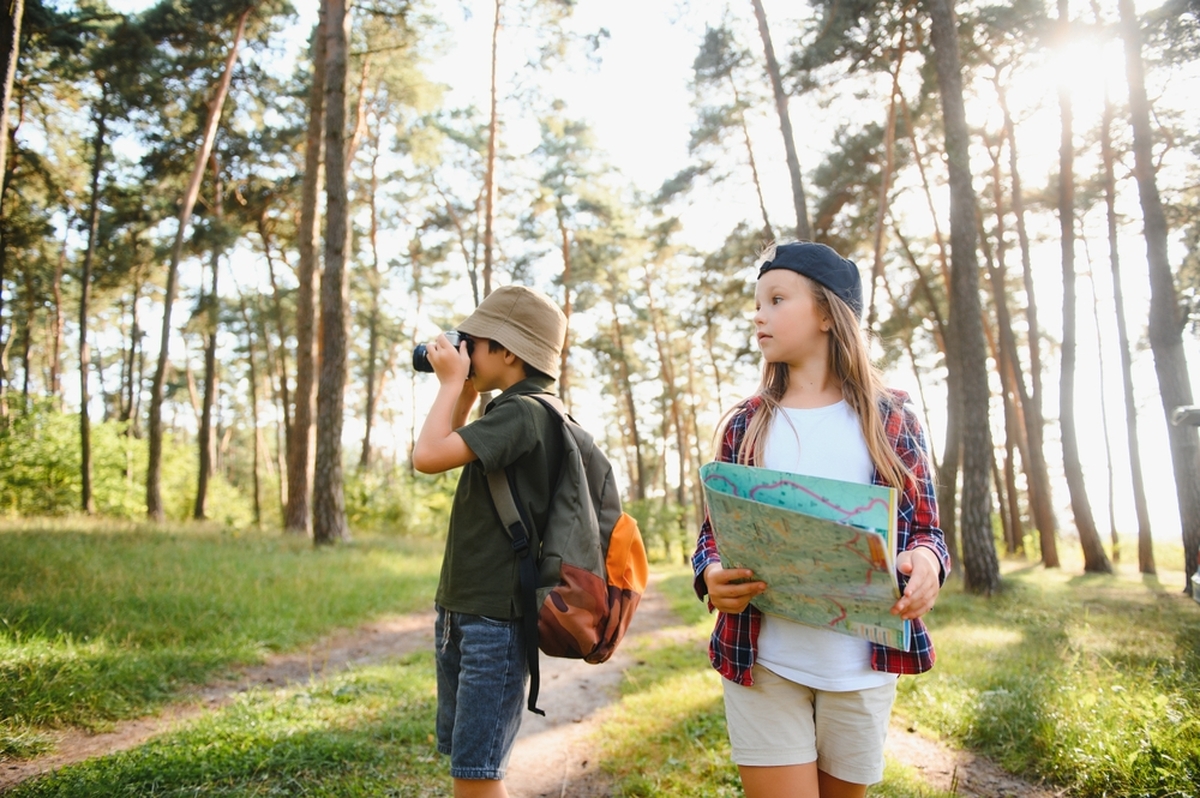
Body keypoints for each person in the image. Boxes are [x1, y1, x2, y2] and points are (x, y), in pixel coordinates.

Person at [692, 242, 950, 798]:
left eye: (777, 299)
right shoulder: (746, 424)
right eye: (756, 302)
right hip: (765, 661)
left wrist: (927, 563)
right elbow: (714, 536)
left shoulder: (891, 416)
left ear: (829, 315)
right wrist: (712, 575)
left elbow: (927, 530)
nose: (758, 314)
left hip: (861, 666)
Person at [412, 284, 568, 798]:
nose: (463, 351)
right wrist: (463, 387)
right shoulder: (508, 409)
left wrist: (448, 383)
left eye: (472, 342)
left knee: (475, 777)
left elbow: (428, 455)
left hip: (493, 620)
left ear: (507, 350)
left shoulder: (526, 412)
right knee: (468, 764)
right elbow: (448, 442)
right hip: (468, 609)